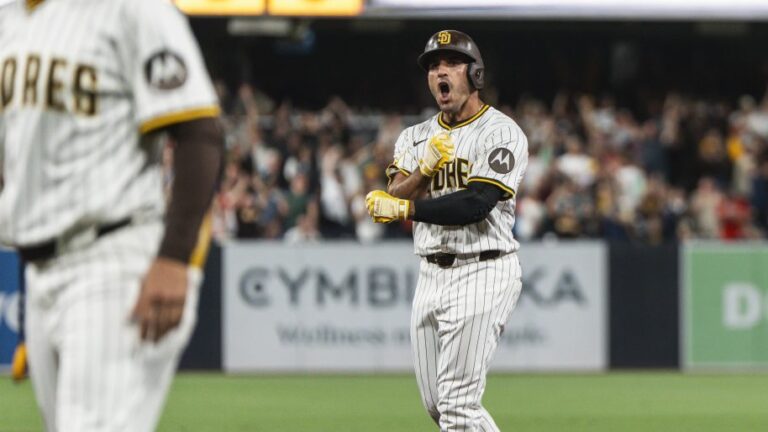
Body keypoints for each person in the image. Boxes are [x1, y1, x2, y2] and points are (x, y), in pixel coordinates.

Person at [0, 0, 223, 430]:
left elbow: (199, 131)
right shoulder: (9, 18)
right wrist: (42, 304)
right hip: (41, 270)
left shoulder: (133, 9)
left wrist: (175, 259)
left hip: (116, 259)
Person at [366, 30, 528, 431]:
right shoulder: (415, 136)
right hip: (430, 273)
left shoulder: (501, 131)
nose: (441, 72)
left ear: (475, 75)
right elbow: (395, 191)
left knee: (458, 405)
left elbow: (477, 203)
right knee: (440, 406)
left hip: (484, 267)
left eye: (452, 64)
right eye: (434, 66)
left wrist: (406, 207)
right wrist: (424, 169)